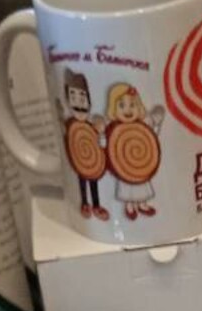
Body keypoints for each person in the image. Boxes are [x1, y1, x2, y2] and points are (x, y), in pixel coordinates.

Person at [104, 82, 165, 221]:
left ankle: (142, 204)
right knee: (127, 188)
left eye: (132, 105)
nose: (128, 110)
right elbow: (107, 147)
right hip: (124, 167)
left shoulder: (142, 127)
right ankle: (129, 205)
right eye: (121, 105)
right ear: (113, 109)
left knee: (141, 186)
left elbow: (151, 140)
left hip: (140, 166)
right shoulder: (113, 130)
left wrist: (157, 125)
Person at [60, 69, 107, 221]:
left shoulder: (92, 124)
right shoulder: (70, 123)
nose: (78, 102)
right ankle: (84, 203)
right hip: (78, 158)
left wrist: (101, 132)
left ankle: (96, 204)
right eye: (73, 97)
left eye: (82, 97)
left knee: (93, 181)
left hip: (93, 161)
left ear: (88, 100)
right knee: (82, 180)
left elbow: (102, 144)